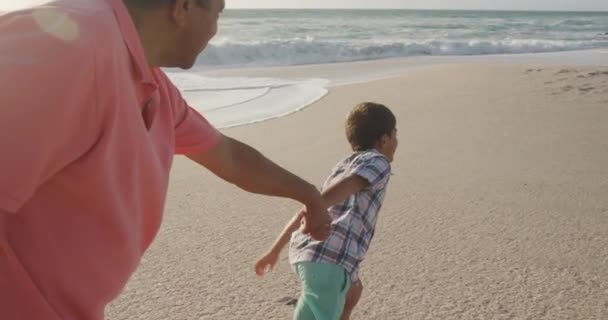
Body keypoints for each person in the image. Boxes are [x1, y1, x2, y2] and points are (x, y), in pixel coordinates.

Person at [0, 0, 331, 319]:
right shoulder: (69, 44)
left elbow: (229, 157)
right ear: (183, 7)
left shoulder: (152, 82)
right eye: (218, 12)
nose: (216, 30)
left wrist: (308, 195)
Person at [255, 102, 398, 320]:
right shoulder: (378, 162)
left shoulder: (343, 165)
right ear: (384, 140)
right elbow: (347, 186)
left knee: (352, 292)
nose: (397, 141)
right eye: (395, 134)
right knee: (332, 293)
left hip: (309, 254)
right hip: (330, 259)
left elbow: (307, 208)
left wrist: (275, 250)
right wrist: (317, 206)